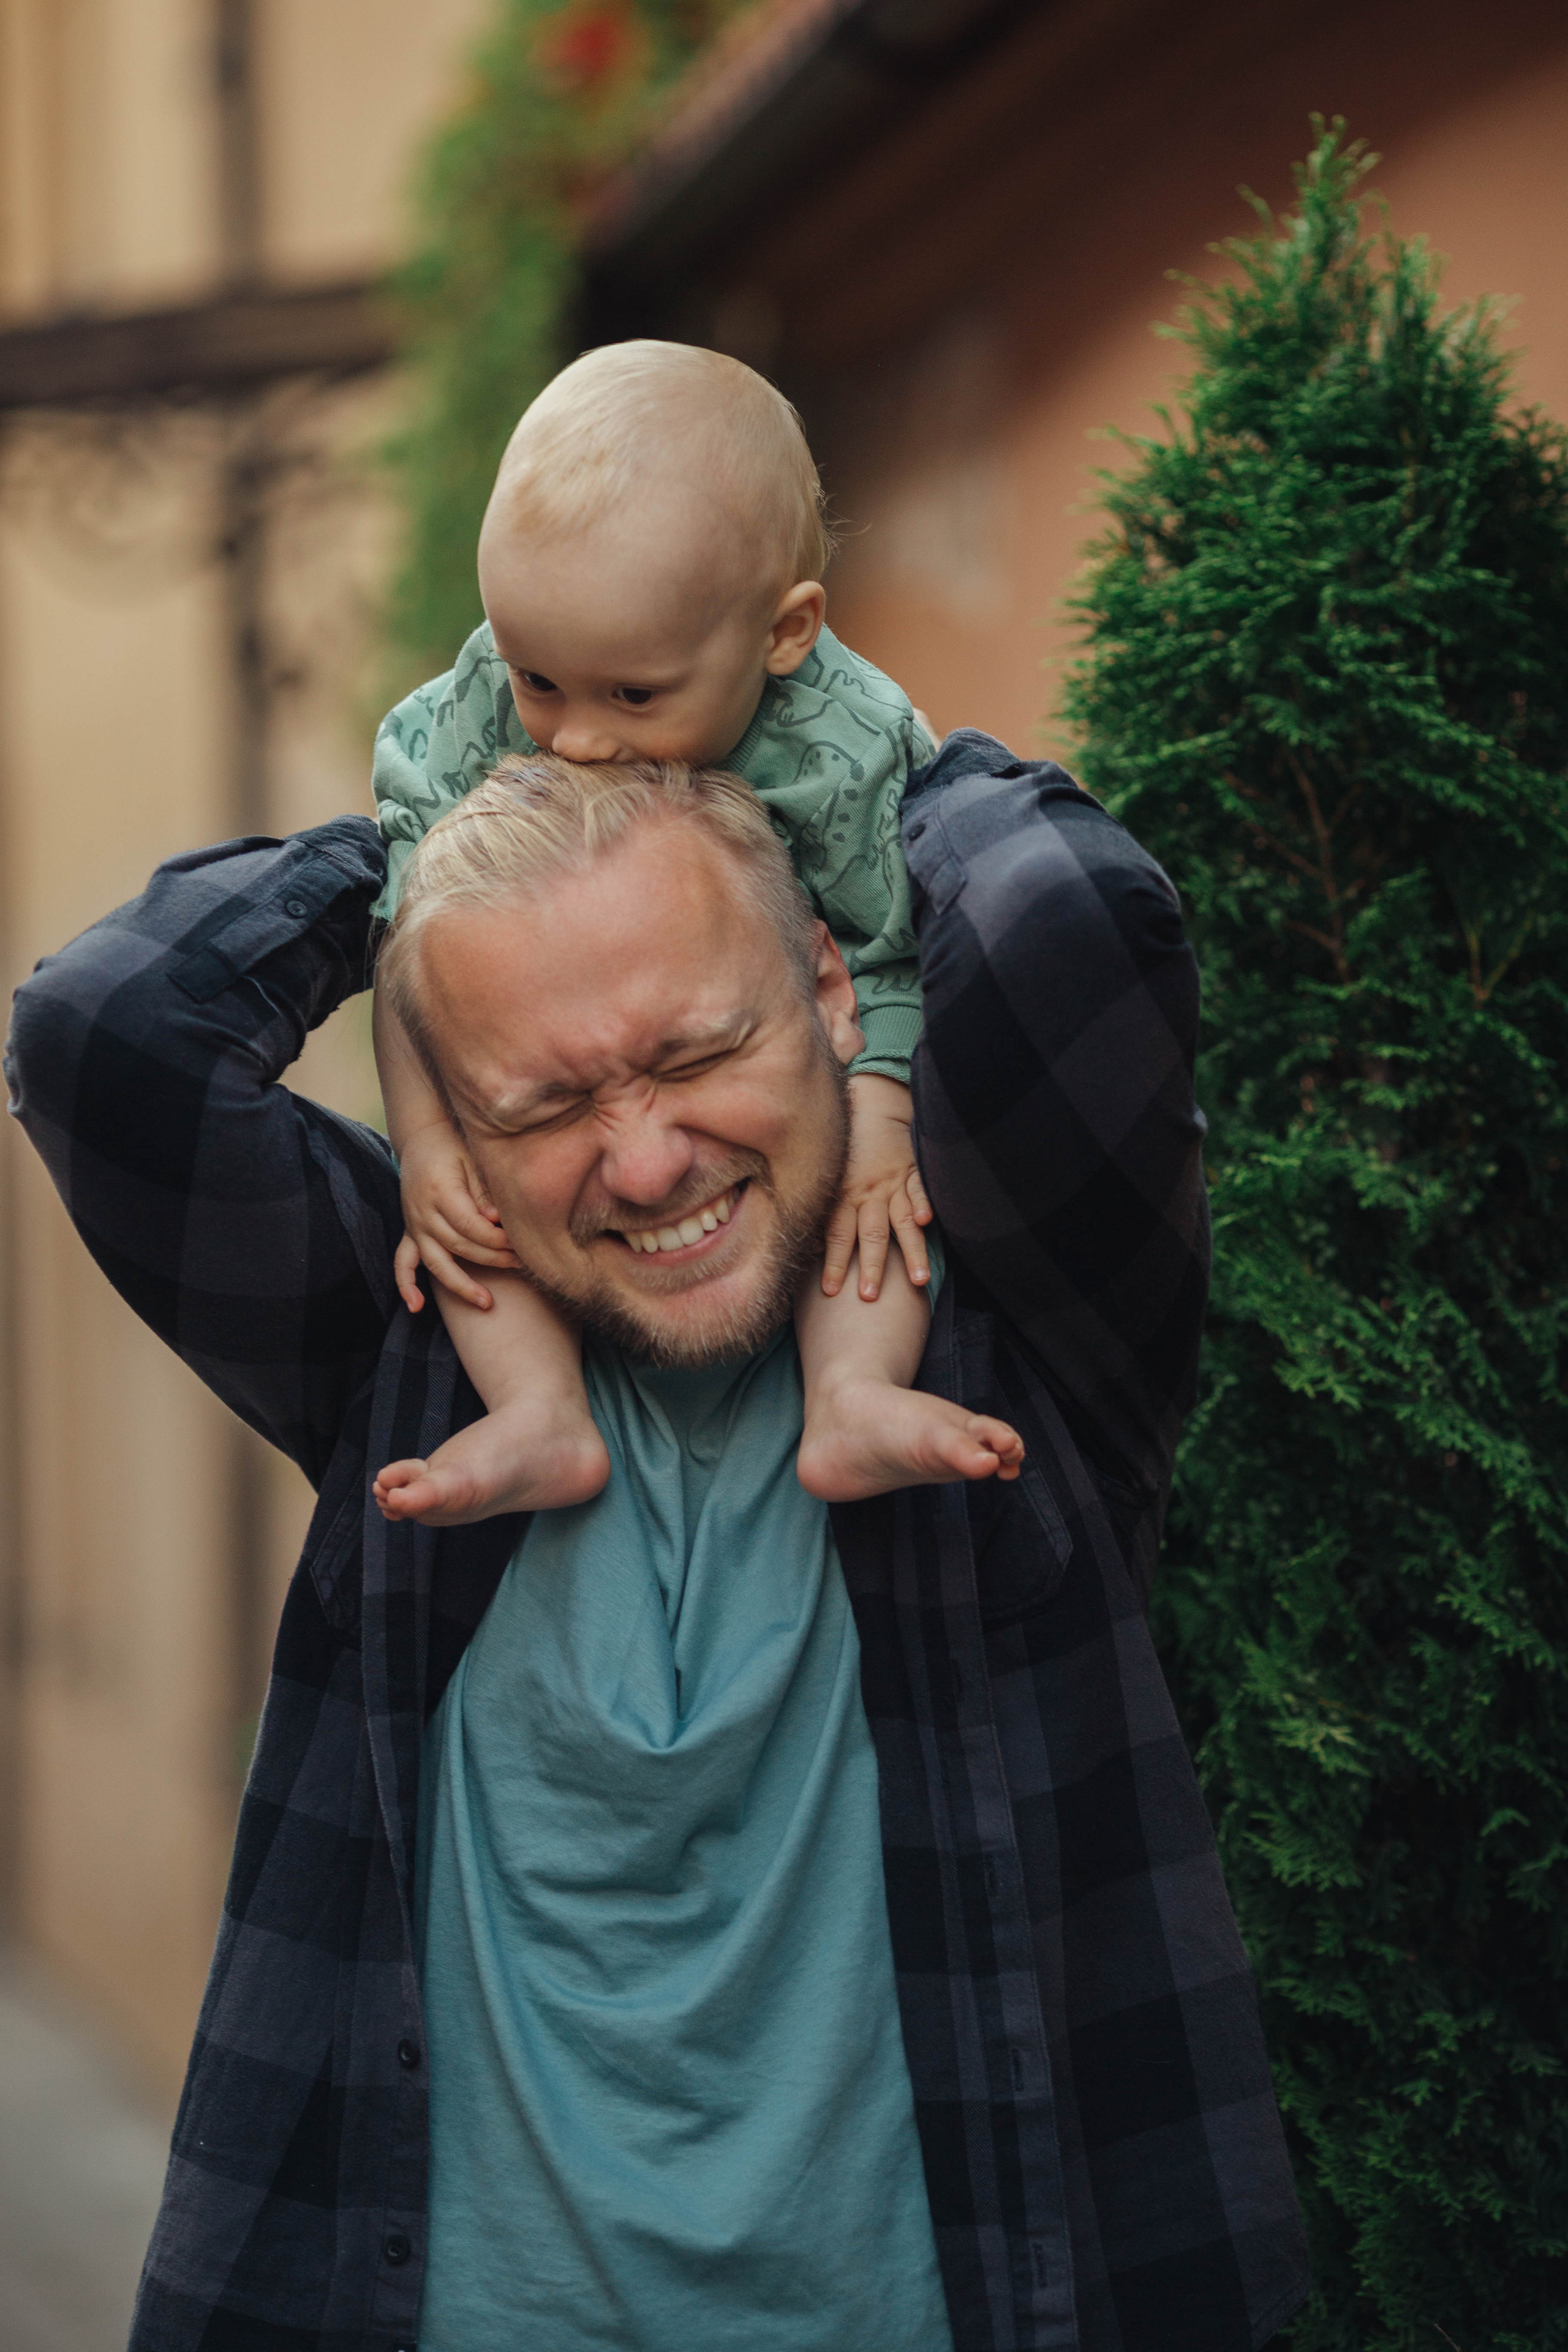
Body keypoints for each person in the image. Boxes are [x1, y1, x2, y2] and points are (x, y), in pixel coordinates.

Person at [5, 733, 1310, 2350]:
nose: (642, 1161)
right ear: (451, 1129)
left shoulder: (1015, 1346)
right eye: (540, 1102)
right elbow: (104, 1035)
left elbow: (1066, 919)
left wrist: (797, 736)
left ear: (830, 985)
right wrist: (422, 835)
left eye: (695, 1052)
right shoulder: (415, 1353)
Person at [369, 338, 1025, 1528]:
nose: (574, 737)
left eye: (632, 696)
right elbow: (414, 958)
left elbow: (891, 949)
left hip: (835, 1054)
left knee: (860, 1197)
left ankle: (854, 1394)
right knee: (482, 1199)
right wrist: (424, 1145)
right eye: (537, 682)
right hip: (517, 1017)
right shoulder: (483, 701)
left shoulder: (846, 753)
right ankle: (535, 1411)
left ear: (783, 632)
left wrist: (883, 1122)